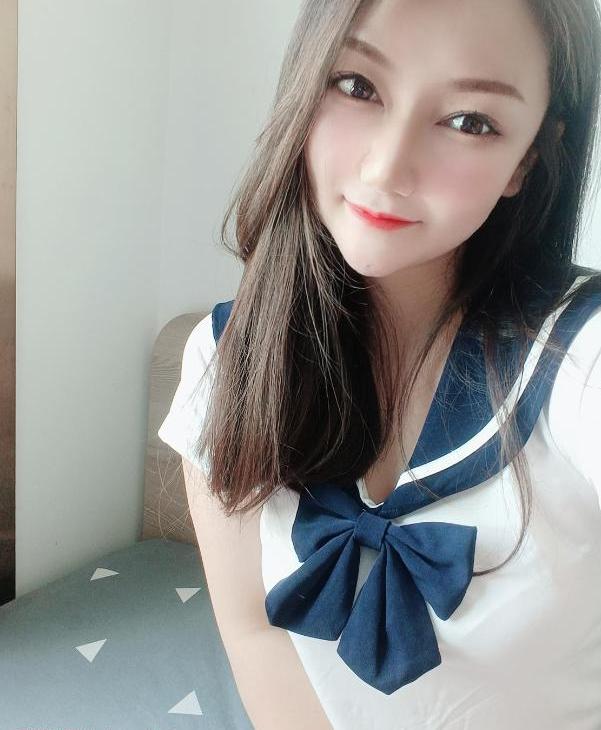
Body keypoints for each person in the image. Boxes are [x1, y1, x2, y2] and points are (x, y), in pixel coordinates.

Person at [158, 0, 601, 727]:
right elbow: (256, 633)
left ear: (526, 158)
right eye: (357, 86)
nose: (388, 167)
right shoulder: (223, 359)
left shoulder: (578, 357)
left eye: (469, 121)